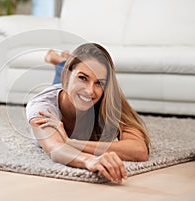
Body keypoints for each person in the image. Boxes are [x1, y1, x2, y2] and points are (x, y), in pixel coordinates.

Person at [26, 43, 150, 184]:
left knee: (78, 91)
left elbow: (139, 151)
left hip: (72, 90)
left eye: (99, 83)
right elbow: (55, 148)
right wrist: (89, 160)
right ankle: (58, 60)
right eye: (83, 78)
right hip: (61, 91)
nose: (90, 91)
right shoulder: (42, 106)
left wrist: (70, 142)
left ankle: (65, 63)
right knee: (62, 81)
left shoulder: (107, 100)